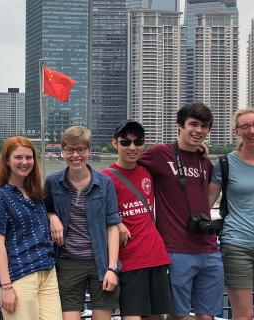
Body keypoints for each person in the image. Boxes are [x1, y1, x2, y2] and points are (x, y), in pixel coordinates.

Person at [138, 102, 224, 320]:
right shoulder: (160, 154)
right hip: (176, 249)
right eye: (193, 124)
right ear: (179, 126)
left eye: (204, 126)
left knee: (207, 316)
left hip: (209, 248)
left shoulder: (205, 161)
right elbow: (127, 163)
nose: (198, 130)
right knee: (180, 316)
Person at [205, 109, 254, 320]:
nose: (252, 131)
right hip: (237, 247)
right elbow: (206, 203)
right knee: (244, 315)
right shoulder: (225, 163)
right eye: (245, 127)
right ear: (236, 132)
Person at [44, 126, 121, 320]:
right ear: (62, 152)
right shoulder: (53, 182)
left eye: (80, 149)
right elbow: (42, 211)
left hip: (101, 263)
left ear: (88, 151)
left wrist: (112, 268)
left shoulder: (105, 183)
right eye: (70, 150)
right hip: (68, 262)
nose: (75, 155)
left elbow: (112, 225)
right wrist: (52, 216)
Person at [101, 120, 171, 320]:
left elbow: (176, 152)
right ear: (115, 144)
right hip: (130, 259)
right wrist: (116, 222)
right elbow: (96, 215)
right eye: (125, 142)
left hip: (157, 255)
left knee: (157, 317)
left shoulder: (149, 170)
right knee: (131, 316)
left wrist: (200, 148)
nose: (132, 147)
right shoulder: (105, 178)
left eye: (137, 142)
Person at [0, 136, 61, 320]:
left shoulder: (36, 193)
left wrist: (52, 216)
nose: (24, 162)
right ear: (7, 161)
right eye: (18, 157)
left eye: (29, 157)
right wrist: (6, 287)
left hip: (47, 270)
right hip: (19, 275)